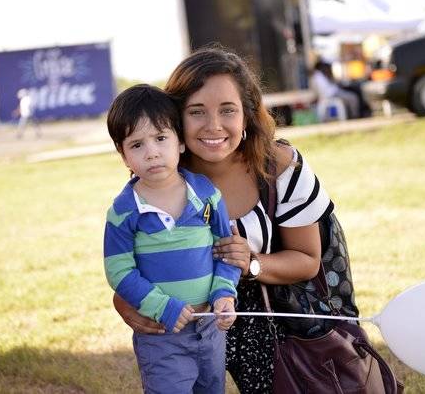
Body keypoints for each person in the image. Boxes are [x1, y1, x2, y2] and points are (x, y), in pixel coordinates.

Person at [113, 47, 336, 393]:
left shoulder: (279, 166)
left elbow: (308, 260)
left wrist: (251, 263)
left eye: (227, 110)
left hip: (269, 314)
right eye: (196, 111)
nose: (213, 126)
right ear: (175, 120)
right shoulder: (160, 176)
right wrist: (125, 303)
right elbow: (132, 256)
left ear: (246, 115)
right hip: (188, 317)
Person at [104, 84, 241, 393]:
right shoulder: (124, 212)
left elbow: (226, 253)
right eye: (136, 144)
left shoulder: (206, 196)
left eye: (161, 138)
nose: (152, 151)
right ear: (123, 155)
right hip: (162, 333)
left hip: (209, 327)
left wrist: (224, 293)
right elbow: (119, 271)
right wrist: (160, 306)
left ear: (180, 142)